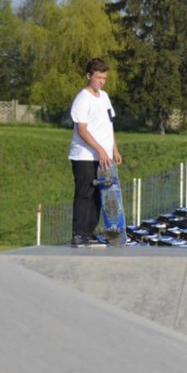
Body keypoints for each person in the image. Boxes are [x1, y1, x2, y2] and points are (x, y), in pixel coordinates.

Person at [68, 58, 122, 247]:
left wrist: (114, 149)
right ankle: (79, 234)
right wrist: (100, 150)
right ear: (89, 76)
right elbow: (82, 130)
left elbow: (109, 125)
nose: (101, 81)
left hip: (104, 157)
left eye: (104, 78)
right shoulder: (82, 99)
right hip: (85, 156)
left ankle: (89, 233)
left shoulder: (104, 97)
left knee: (99, 194)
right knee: (84, 194)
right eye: (98, 77)